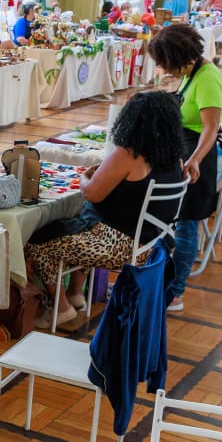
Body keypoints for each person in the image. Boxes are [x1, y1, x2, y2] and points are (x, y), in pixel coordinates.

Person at [25, 91, 186, 327]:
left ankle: (61, 308)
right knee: (81, 220)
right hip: (154, 245)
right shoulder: (176, 159)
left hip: (118, 246)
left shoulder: (129, 155)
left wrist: (86, 177)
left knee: (38, 240)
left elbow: (91, 193)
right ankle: (75, 293)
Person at [146, 23, 222, 312]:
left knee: (187, 225)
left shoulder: (207, 79)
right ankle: (162, 282)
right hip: (185, 152)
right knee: (177, 222)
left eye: (166, 64)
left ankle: (175, 292)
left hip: (199, 157)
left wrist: (194, 159)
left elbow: (210, 128)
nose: (165, 70)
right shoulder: (193, 74)